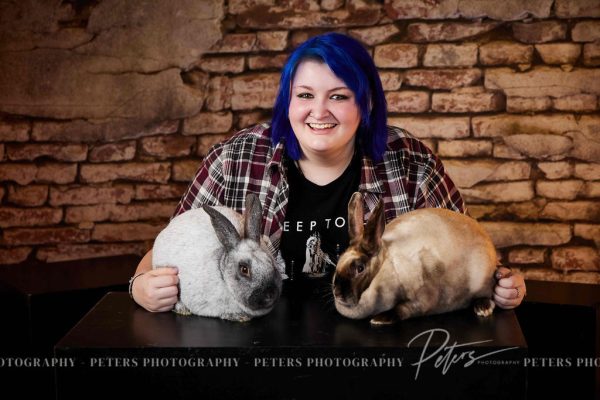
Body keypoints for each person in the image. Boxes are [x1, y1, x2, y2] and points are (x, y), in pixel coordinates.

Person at [130, 32, 526, 313]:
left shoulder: (411, 163)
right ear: (288, 101)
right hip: (255, 348)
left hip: (382, 344)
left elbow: (469, 248)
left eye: (338, 96)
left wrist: (503, 284)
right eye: (305, 96)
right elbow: (165, 250)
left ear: (365, 103)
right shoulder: (235, 158)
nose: (318, 112)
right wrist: (140, 287)